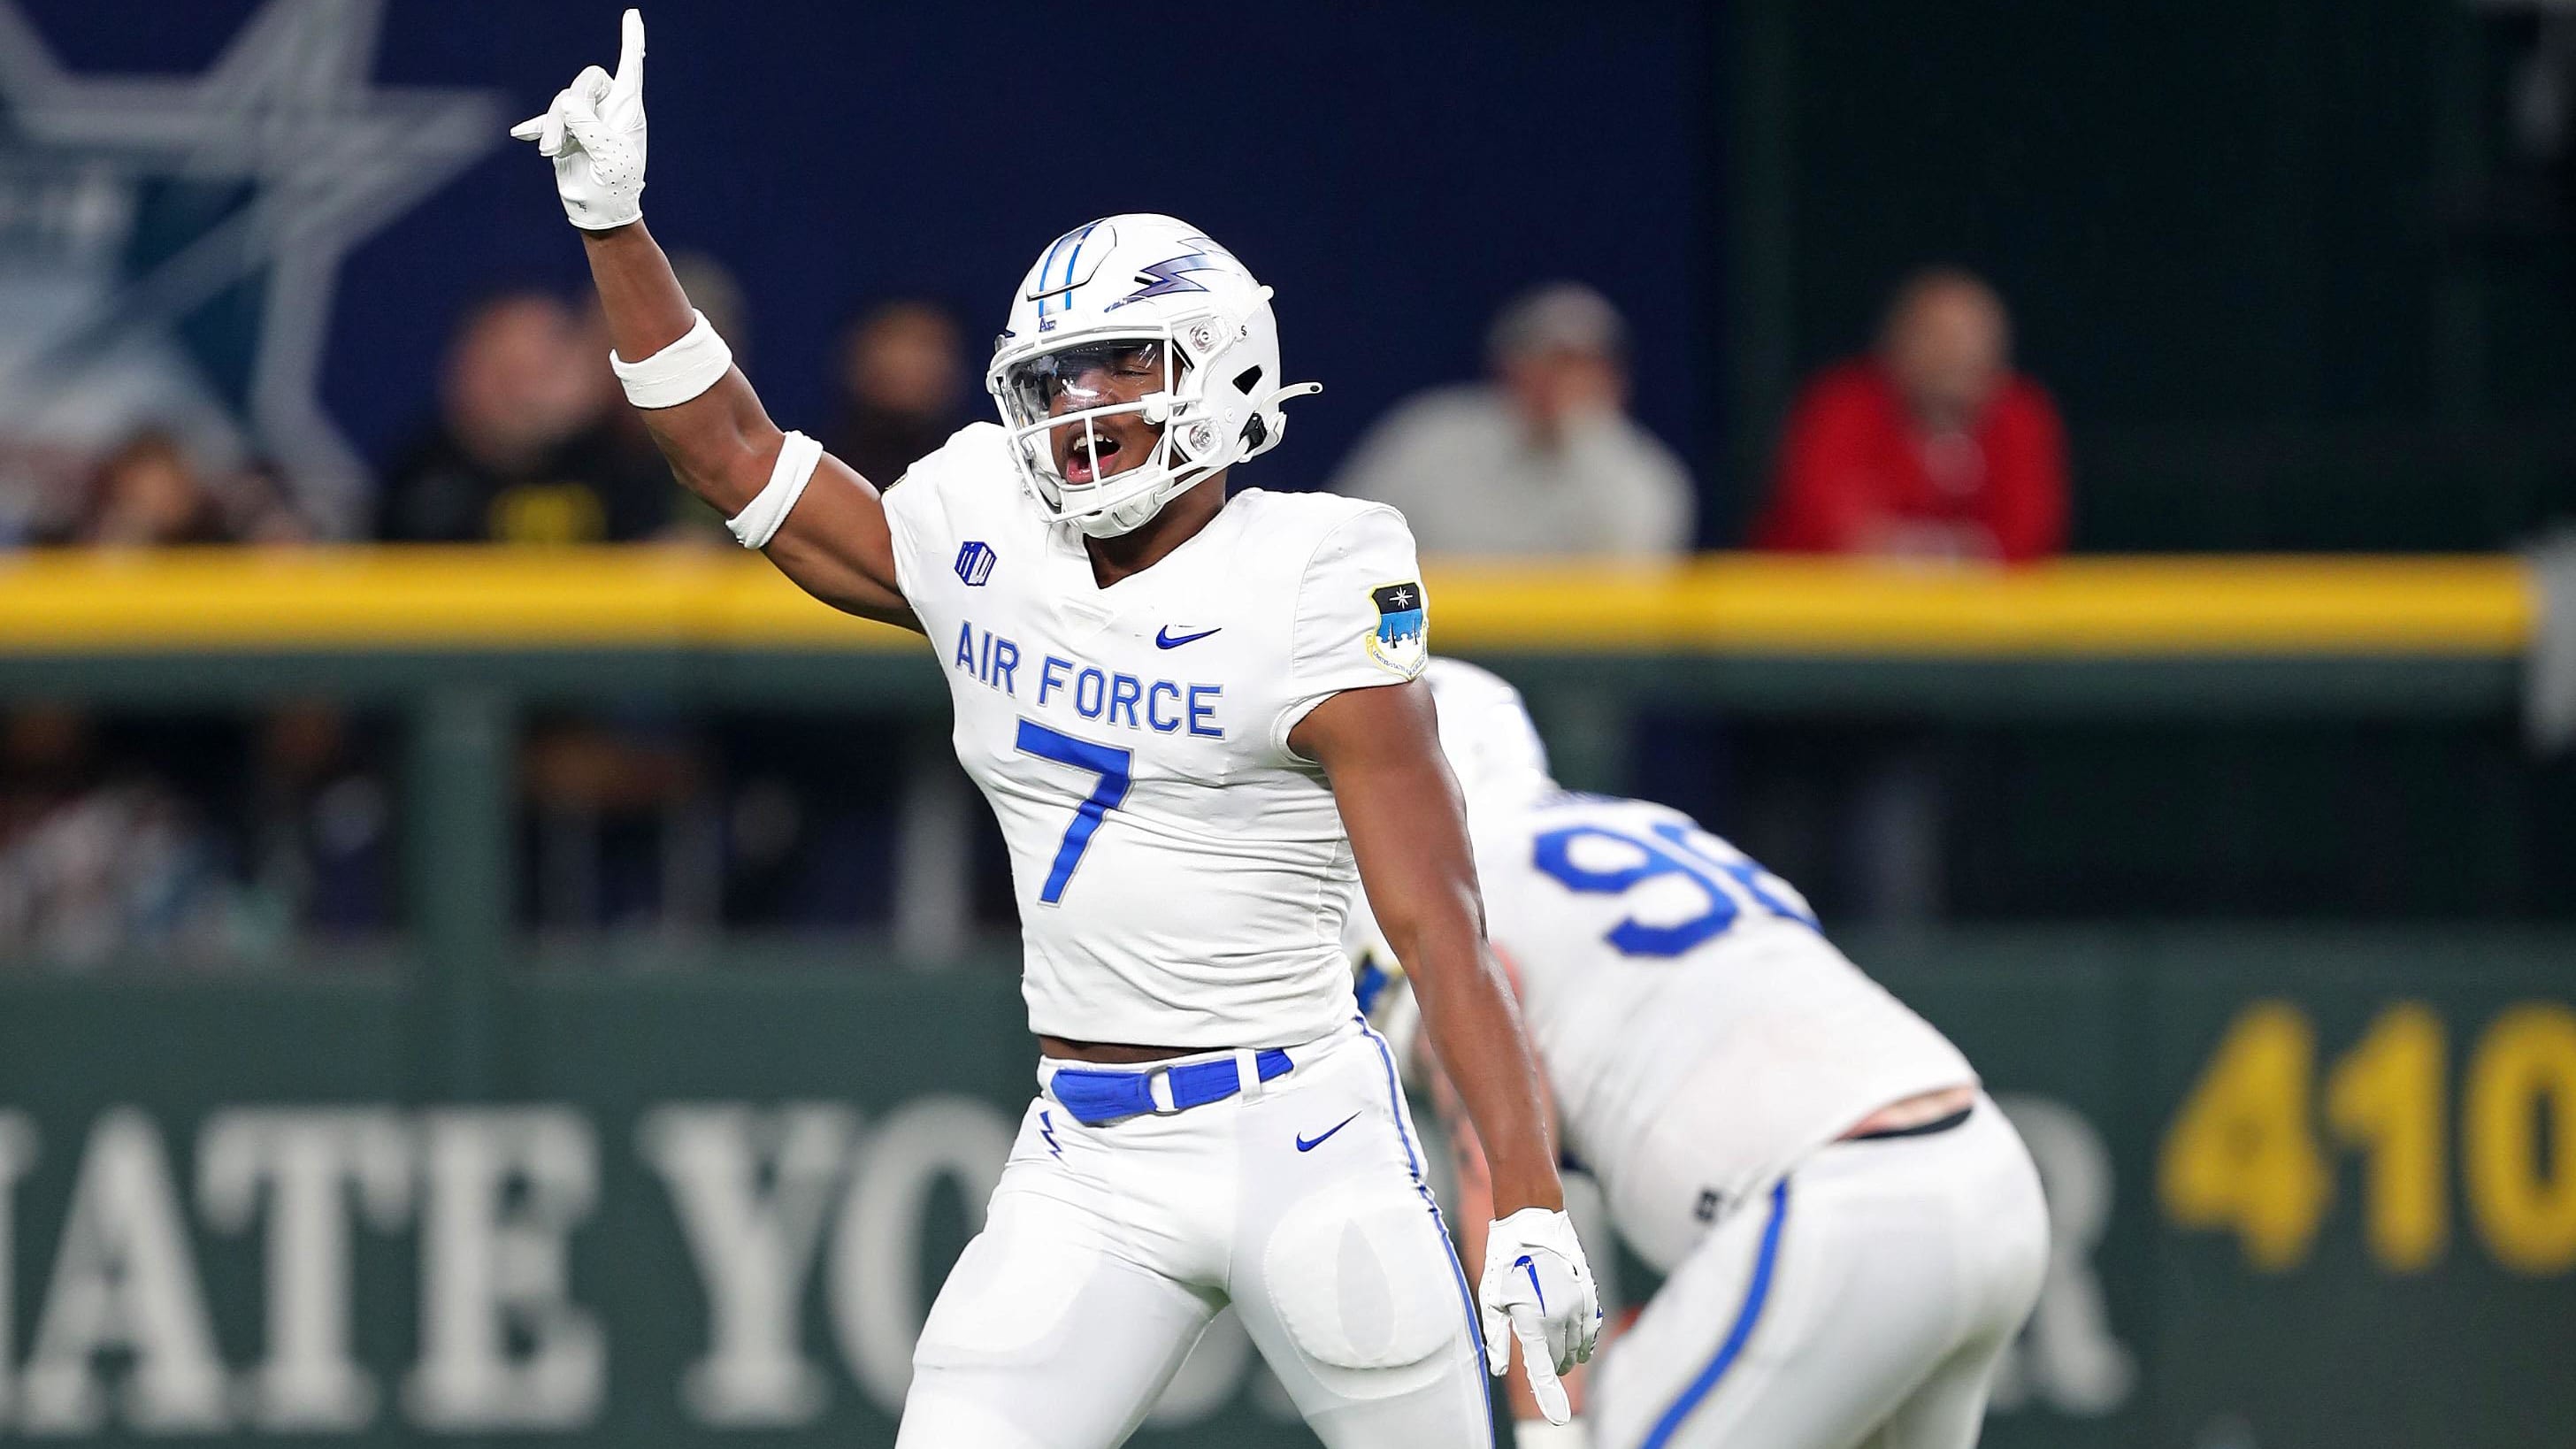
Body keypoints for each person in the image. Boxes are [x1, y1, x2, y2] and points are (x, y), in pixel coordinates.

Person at [510, 14, 1599, 1447]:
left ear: (1220, 369)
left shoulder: (1320, 572)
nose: (1082, 413)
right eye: (1057, 379)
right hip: (1090, 1145)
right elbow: (734, 458)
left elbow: (1441, 923)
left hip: (1304, 1129)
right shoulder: (983, 526)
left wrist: (1523, 1188)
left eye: (1121, 369)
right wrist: (614, 226)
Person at [1355, 661, 2048, 1449]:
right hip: (1990, 1174)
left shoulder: (1457, 894)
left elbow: (1500, 1171)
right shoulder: (1640, 824)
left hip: (1843, 1205)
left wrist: (1552, 1425)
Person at [1331, 283, 1695, 556]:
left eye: (1582, 365)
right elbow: (1343, 539)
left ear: (1615, 379)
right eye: (1546, 360)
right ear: (1507, 365)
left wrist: (1586, 438)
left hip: (1572, 651)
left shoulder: (1642, 473)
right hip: (1430, 640)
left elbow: (1636, 568)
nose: (1560, 381)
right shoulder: (1431, 435)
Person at [1754, 268, 2067, 563]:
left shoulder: (2020, 416)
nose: (1955, 355)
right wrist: (1953, 551)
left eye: (1971, 341)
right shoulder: (1842, 405)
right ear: (1896, 341)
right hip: (1832, 611)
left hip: (1981, 615)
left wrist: (1926, 552)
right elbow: (1826, 524)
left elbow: (2031, 533)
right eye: (1939, 338)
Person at [377, 289, 673, 544]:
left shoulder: (619, 466)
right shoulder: (424, 480)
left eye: (545, 372)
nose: (526, 396)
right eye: (509, 376)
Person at [823, 299, 971, 490]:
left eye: (926, 346)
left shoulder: (977, 467)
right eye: (897, 342)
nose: (913, 361)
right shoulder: (820, 472)